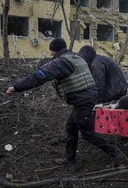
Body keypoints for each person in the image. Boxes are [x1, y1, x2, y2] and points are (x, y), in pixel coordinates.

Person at [6, 38, 122, 168]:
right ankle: (69, 159)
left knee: (88, 133)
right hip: (85, 99)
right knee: (71, 126)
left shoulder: (61, 62)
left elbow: (40, 76)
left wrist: (16, 87)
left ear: (55, 51)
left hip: (82, 101)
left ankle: (115, 154)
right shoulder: (75, 57)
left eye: (51, 52)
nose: (51, 55)